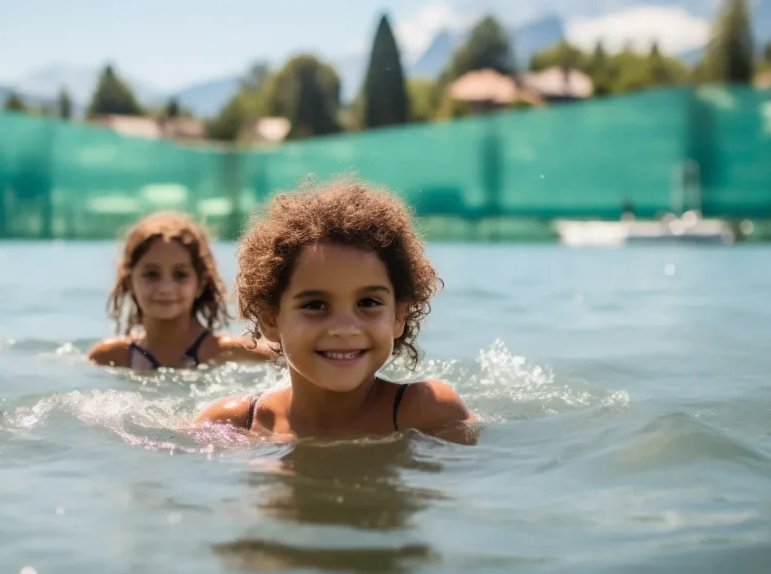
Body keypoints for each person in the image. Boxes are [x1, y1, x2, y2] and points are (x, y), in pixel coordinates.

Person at [194, 178, 478, 445]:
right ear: (271, 319)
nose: (345, 328)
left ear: (398, 316)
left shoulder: (427, 413)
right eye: (315, 305)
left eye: (368, 303)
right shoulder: (234, 424)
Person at [88, 211, 275, 370]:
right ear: (129, 281)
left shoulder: (238, 352)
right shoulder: (109, 357)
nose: (165, 288)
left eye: (180, 275)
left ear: (200, 283)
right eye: (151, 274)